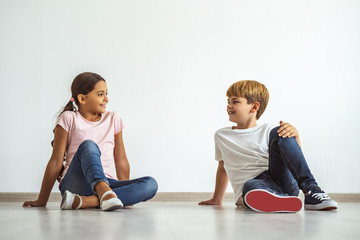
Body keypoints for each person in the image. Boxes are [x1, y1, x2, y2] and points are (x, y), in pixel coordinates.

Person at [23, 72, 158, 211]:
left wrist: (125, 189)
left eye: (106, 93)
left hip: (108, 182)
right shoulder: (69, 118)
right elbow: (56, 161)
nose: (106, 99)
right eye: (100, 94)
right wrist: (41, 201)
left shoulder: (113, 119)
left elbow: (121, 159)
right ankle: (105, 194)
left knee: (151, 184)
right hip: (76, 184)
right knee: (89, 145)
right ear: (82, 98)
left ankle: (84, 201)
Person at [199, 80, 338, 212]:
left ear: (254, 107)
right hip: (255, 187)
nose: (229, 105)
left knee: (281, 130)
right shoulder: (221, 135)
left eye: (235, 101)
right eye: (228, 101)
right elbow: (223, 168)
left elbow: (291, 160)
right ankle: (280, 201)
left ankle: (311, 190)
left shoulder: (269, 130)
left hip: (282, 181)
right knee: (250, 185)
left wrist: (296, 137)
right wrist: (217, 199)